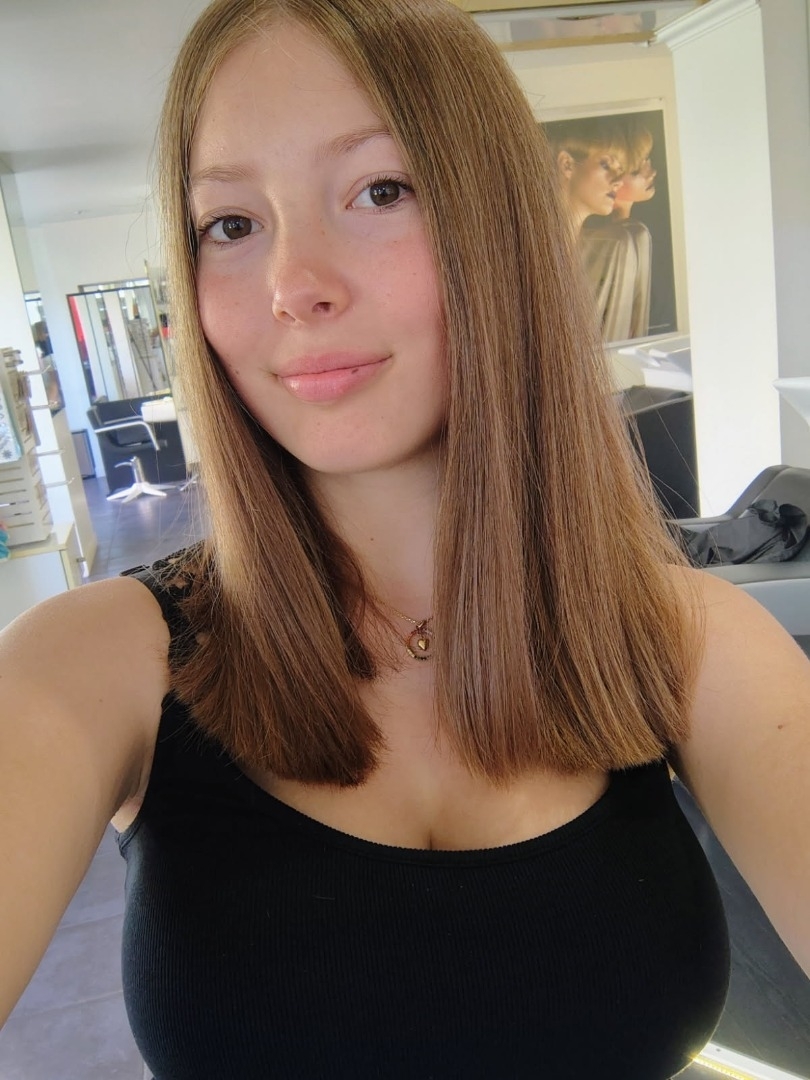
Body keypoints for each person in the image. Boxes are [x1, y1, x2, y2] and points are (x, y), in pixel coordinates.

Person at [1, 1, 808, 1077]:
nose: (294, 287)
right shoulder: (92, 665)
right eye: (230, 224)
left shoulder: (699, 645)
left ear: (499, 228)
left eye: (381, 191)